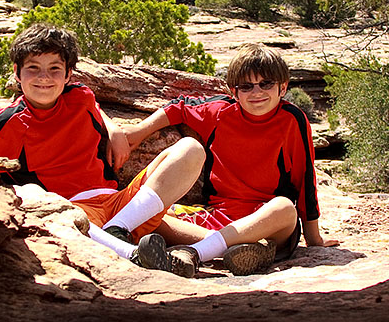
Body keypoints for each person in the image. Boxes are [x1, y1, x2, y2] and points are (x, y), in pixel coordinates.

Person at [0, 23, 206, 277]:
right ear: (17, 73)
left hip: (119, 203)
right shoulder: (8, 123)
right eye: (33, 69)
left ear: (68, 74)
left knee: (191, 149)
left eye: (54, 69)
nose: (44, 78)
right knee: (49, 207)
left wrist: (113, 129)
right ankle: (134, 255)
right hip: (68, 212)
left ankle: (119, 230)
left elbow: (90, 105)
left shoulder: (80, 98)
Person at [120, 42, 339, 277]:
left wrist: (314, 239)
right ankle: (234, 250)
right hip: (216, 217)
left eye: (266, 84)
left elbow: (305, 179)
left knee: (284, 208)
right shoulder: (220, 112)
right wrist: (138, 132)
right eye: (246, 86)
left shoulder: (292, 120)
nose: (257, 93)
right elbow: (178, 108)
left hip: (266, 222)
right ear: (234, 91)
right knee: (147, 215)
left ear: (283, 87)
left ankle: (194, 253)